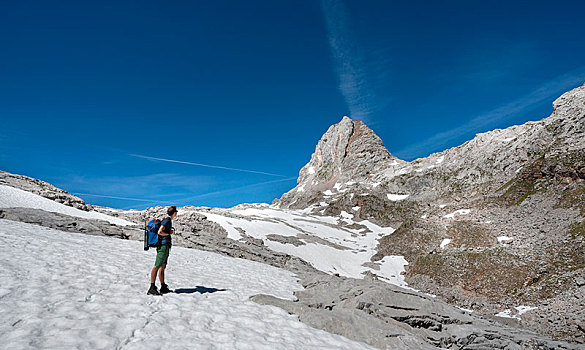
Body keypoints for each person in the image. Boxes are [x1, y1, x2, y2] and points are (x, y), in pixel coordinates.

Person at [147, 206, 178, 295]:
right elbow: (160, 232)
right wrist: (169, 233)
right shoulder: (167, 220)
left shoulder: (168, 220)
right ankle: (152, 287)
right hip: (163, 246)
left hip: (165, 246)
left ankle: (163, 286)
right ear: (174, 213)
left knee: (162, 266)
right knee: (157, 266)